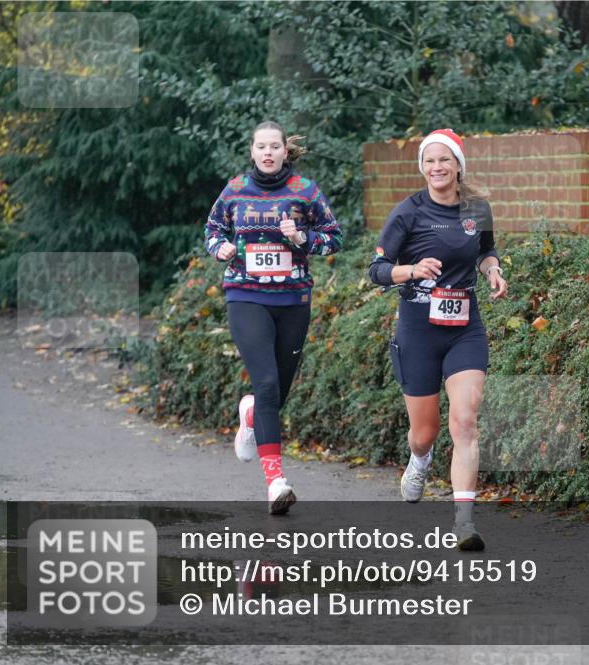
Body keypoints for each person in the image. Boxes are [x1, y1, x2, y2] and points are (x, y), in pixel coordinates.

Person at [368, 128, 508, 550]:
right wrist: (411, 270)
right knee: (424, 432)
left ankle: (464, 521)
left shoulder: (477, 209)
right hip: (418, 331)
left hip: (465, 328)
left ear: (459, 166)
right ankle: (420, 459)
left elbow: (486, 250)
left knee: (465, 420)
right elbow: (376, 271)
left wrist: (492, 271)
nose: (437, 168)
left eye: (444, 160)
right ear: (422, 167)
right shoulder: (407, 213)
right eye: (429, 161)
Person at [205, 120, 342, 514]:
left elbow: (335, 237)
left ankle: (250, 414)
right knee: (265, 382)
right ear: (252, 151)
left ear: (285, 151)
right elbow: (212, 229)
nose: (267, 153)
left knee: (276, 392)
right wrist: (222, 249)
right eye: (260, 147)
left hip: (293, 300)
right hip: (246, 296)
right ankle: (275, 481)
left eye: (274, 147)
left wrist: (303, 239)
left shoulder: (306, 191)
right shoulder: (234, 190)